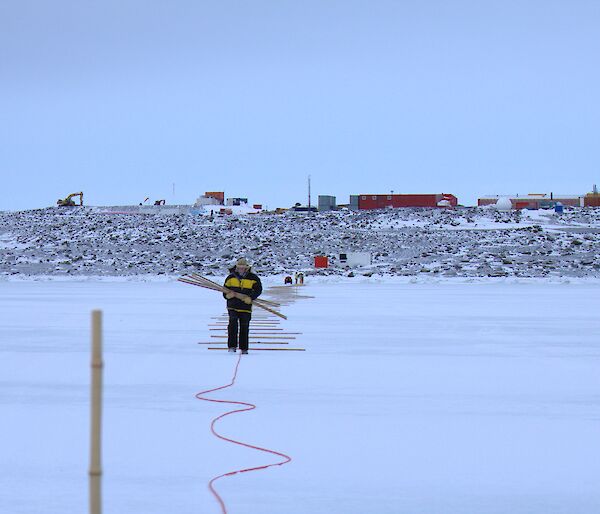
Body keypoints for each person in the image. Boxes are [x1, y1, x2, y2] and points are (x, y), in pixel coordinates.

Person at [223, 258, 263, 354]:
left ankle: (244, 348)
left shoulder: (253, 278)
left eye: (243, 268)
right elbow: (224, 290)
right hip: (232, 306)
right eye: (239, 267)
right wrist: (228, 295)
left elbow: (258, 290)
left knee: (244, 327)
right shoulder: (230, 277)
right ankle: (232, 346)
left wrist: (251, 298)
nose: (241, 269)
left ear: (246, 268)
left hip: (245, 307)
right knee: (232, 325)